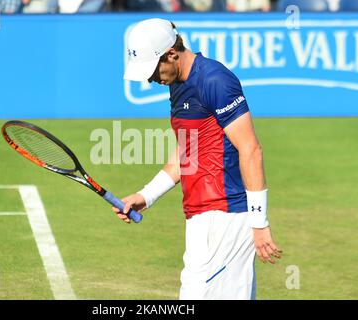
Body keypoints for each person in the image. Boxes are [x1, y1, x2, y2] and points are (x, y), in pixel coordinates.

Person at [113, 18, 282, 300]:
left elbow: (250, 149)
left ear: (171, 53)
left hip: (227, 218)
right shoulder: (177, 85)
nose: (150, 78)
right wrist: (146, 195)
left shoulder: (215, 79)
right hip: (199, 218)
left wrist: (259, 222)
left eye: (153, 69)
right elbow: (187, 155)